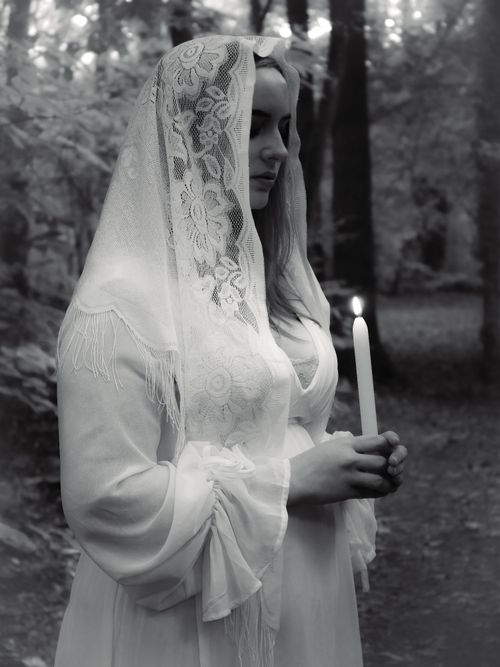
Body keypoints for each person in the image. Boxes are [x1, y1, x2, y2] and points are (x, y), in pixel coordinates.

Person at [54, 34, 407, 667]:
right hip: (191, 619)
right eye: (253, 126)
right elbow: (106, 497)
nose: (279, 150)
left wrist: (349, 461)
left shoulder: (277, 278)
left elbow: (279, 420)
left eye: (285, 128)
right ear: (191, 136)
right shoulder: (121, 304)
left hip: (309, 595)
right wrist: (292, 481)